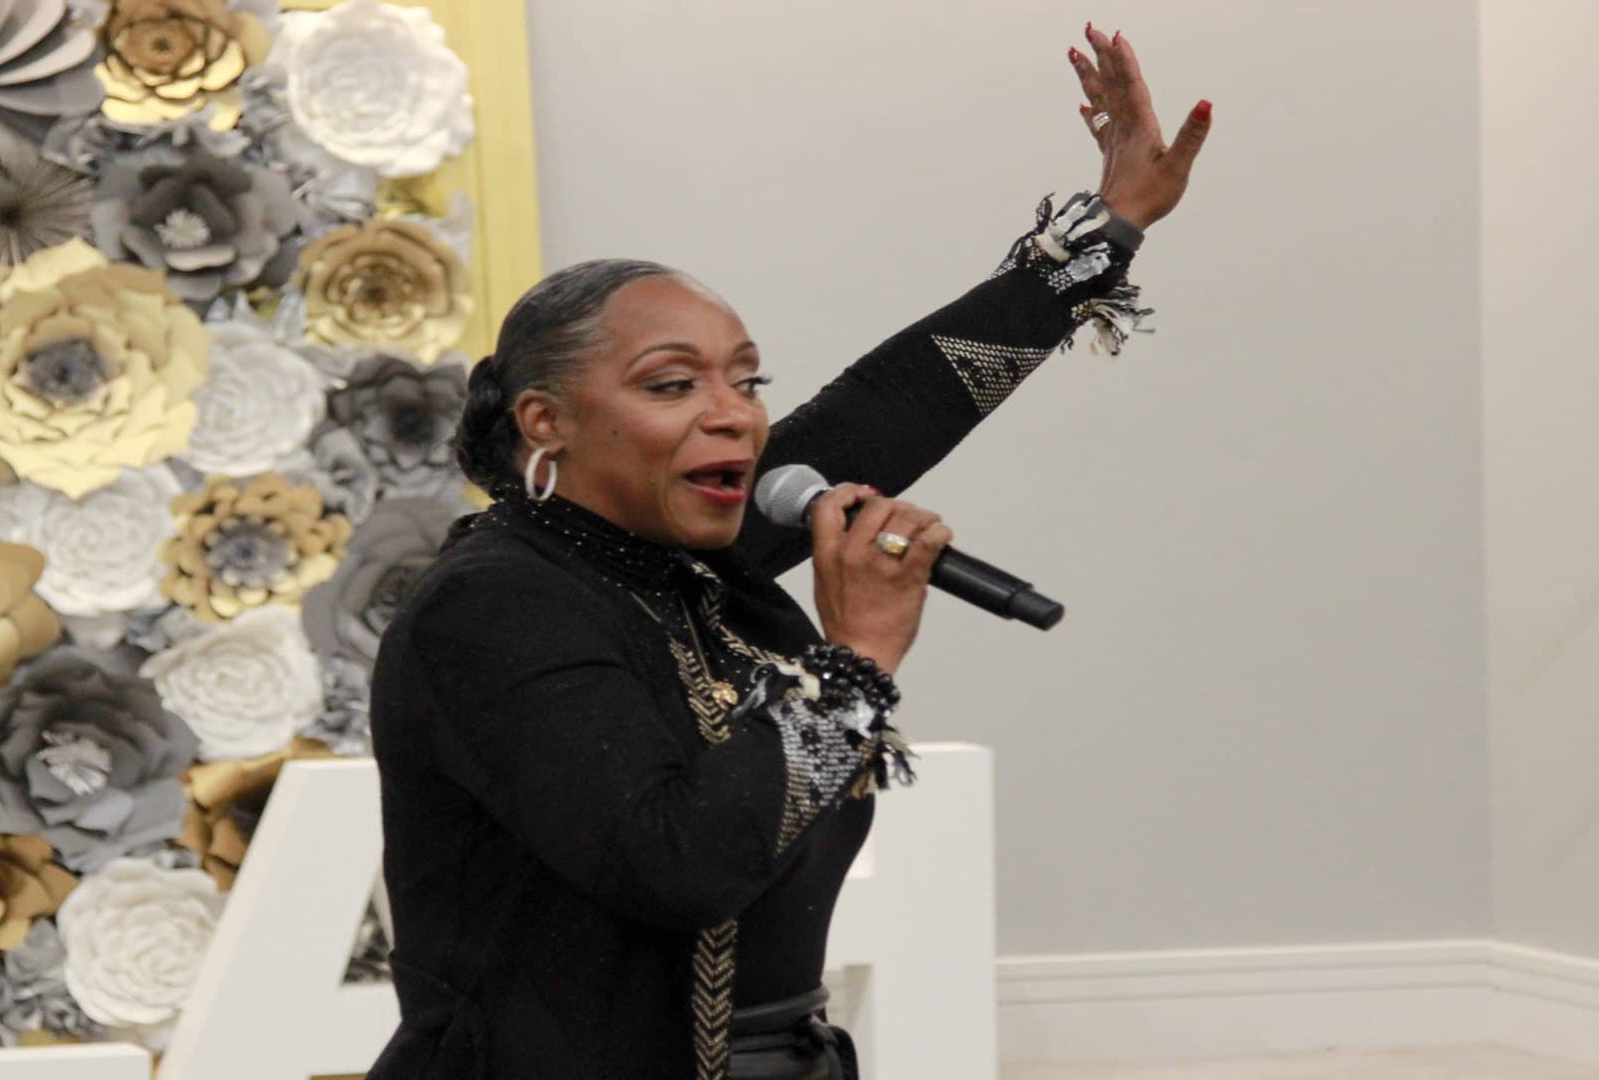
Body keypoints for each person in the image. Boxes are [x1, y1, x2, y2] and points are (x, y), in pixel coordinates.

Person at [366, 24, 1209, 1080]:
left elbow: (895, 403)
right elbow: (678, 866)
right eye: (673, 384)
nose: (734, 415)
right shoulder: (492, 607)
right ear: (546, 422)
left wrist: (1111, 228)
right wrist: (853, 664)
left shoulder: (695, 569)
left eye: (747, 380)